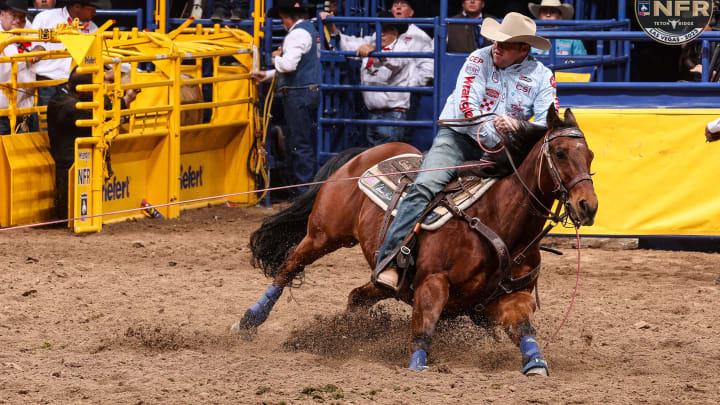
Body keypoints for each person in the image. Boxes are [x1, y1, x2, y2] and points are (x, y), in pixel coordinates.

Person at [373, 12, 557, 290]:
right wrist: (500, 128)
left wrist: (518, 127)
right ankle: (389, 262)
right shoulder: (478, 60)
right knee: (425, 186)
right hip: (459, 137)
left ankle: (513, 268)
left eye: (505, 44)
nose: (497, 47)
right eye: (496, 41)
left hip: (509, 147)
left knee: (528, 197)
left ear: (523, 49)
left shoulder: (542, 76)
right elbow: (467, 106)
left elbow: (547, 121)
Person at [47, 67, 138, 220]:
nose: (98, 91)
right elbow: (102, 112)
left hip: (84, 153)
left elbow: (105, 107)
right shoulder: (66, 104)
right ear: (83, 91)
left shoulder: (74, 92)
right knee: (69, 206)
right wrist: (125, 101)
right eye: (94, 88)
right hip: (68, 157)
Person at [251, 0, 320, 198]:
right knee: (302, 142)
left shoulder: (297, 34)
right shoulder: (310, 30)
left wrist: (276, 58)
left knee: (299, 144)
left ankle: (301, 195)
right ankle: (301, 192)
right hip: (306, 90)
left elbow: (288, 65)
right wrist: (270, 74)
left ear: (287, 18)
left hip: (298, 93)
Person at [323, 11, 413, 145]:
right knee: (374, 157)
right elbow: (347, 44)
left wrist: (374, 51)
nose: (382, 33)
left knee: (386, 158)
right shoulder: (371, 42)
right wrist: (331, 25)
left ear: (396, 33)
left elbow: (395, 62)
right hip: (373, 114)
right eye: (379, 29)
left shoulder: (402, 48)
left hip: (392, 115)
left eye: (388, 30)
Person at [31, 0, 105, 106]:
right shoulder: (46, 18)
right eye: (91, 9)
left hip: (76, 88)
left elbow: (103, 54)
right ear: (77, 6)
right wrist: (39, 47)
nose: (94, 13)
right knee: (45, 120)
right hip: (46, 83)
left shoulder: (93, 28)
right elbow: (35, 43)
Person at [0, 0, 45, 134]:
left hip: (24, 111)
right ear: (2, 15)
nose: (18, 20)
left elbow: (42, 42)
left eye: (22, 17)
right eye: (14, 15)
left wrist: (39, 47)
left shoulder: (25, 28)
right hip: (2, 112)